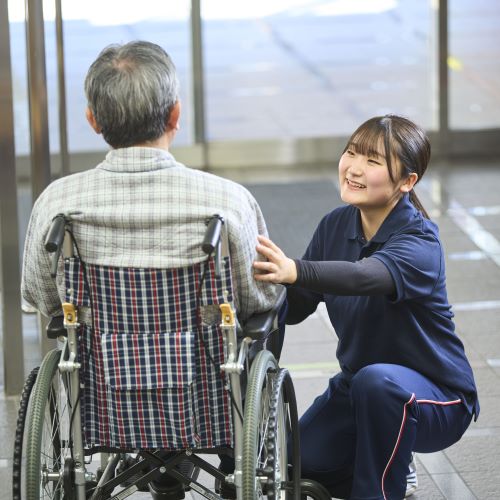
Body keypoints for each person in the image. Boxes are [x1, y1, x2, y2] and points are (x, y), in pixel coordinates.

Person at [21, 40, 279, 500]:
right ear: (176, 115)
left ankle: (157, 469)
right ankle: (235, 456)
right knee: (271, 305)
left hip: (102, 396)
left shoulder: (58, 203)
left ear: (93, 121)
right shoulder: (226, 200)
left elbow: (44, 301)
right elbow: (253, 299)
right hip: (204, 398)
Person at [253, 115, 479, 500]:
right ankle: (391, 456)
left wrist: (295, 269)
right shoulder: (335, 225)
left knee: (379, 384)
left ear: (407, 182)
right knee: (296, 467)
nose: (354, 168)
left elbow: (366, 277)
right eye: (352, 153)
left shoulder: (420, 242)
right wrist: (246, 295)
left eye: (373, 161)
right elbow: (297, 305)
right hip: (358, 388)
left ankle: (381, 485)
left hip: (437, 395)